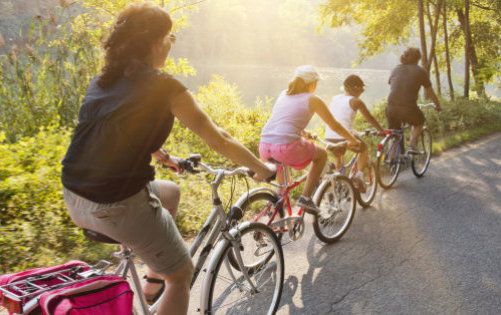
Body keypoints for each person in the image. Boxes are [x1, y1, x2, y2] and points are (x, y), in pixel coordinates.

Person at [60, 3, 274, 315]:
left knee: (170, 192)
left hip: (76, 195)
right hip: (116, 203)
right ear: (157, 43)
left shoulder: (104, 80)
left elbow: (116, 133)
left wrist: (165, 156)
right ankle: (168, 276)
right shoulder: (164, 86)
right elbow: (218, 137)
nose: (171, 46)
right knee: (182, 274)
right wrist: (261, 167)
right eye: (170, 39)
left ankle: (152, 281)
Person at [259, 65, 362, 212]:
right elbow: (334, 125)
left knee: (282, 190)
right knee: (322, 155)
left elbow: (284, 120)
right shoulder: (312, 99)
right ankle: (306, 198)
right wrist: (353, 140)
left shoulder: (284, 94)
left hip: (265, 145)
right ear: (312, 83)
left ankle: (275, 221)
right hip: (285, 147)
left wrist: (302, 132)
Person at [324, 74, 385, 192]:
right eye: (362, 89)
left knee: (339, 160)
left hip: (329, 136)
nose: (362, 91)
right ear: (356, 89)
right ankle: (359, 176)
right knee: (364, 148)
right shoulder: (356, 101)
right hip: (344, 137)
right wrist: (381, 130)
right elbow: (370, 118)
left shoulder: (335, 98)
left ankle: (338, 185)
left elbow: (340, 117)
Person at [387, 47, 441, 154]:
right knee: (419, 121)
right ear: (417, 59)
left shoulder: (396, 69)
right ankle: (412, 144)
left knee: (393, 133)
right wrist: (437, 105)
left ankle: (391, 160)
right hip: (408, 108)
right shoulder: (420, 71)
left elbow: (390, 83)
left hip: (391, 107)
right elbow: (430, 91)